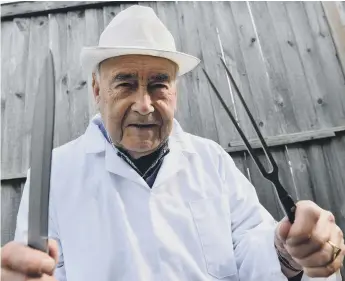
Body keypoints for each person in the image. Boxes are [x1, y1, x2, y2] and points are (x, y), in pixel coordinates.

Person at [1, 5, 344, 281]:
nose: (145, 104)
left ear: (174, 90)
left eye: (158, 84)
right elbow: (38, 270)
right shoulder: (55, 174)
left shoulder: (212, 160)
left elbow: (253, 248)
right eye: (125, 84)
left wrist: (288, 253)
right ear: (96, 91)